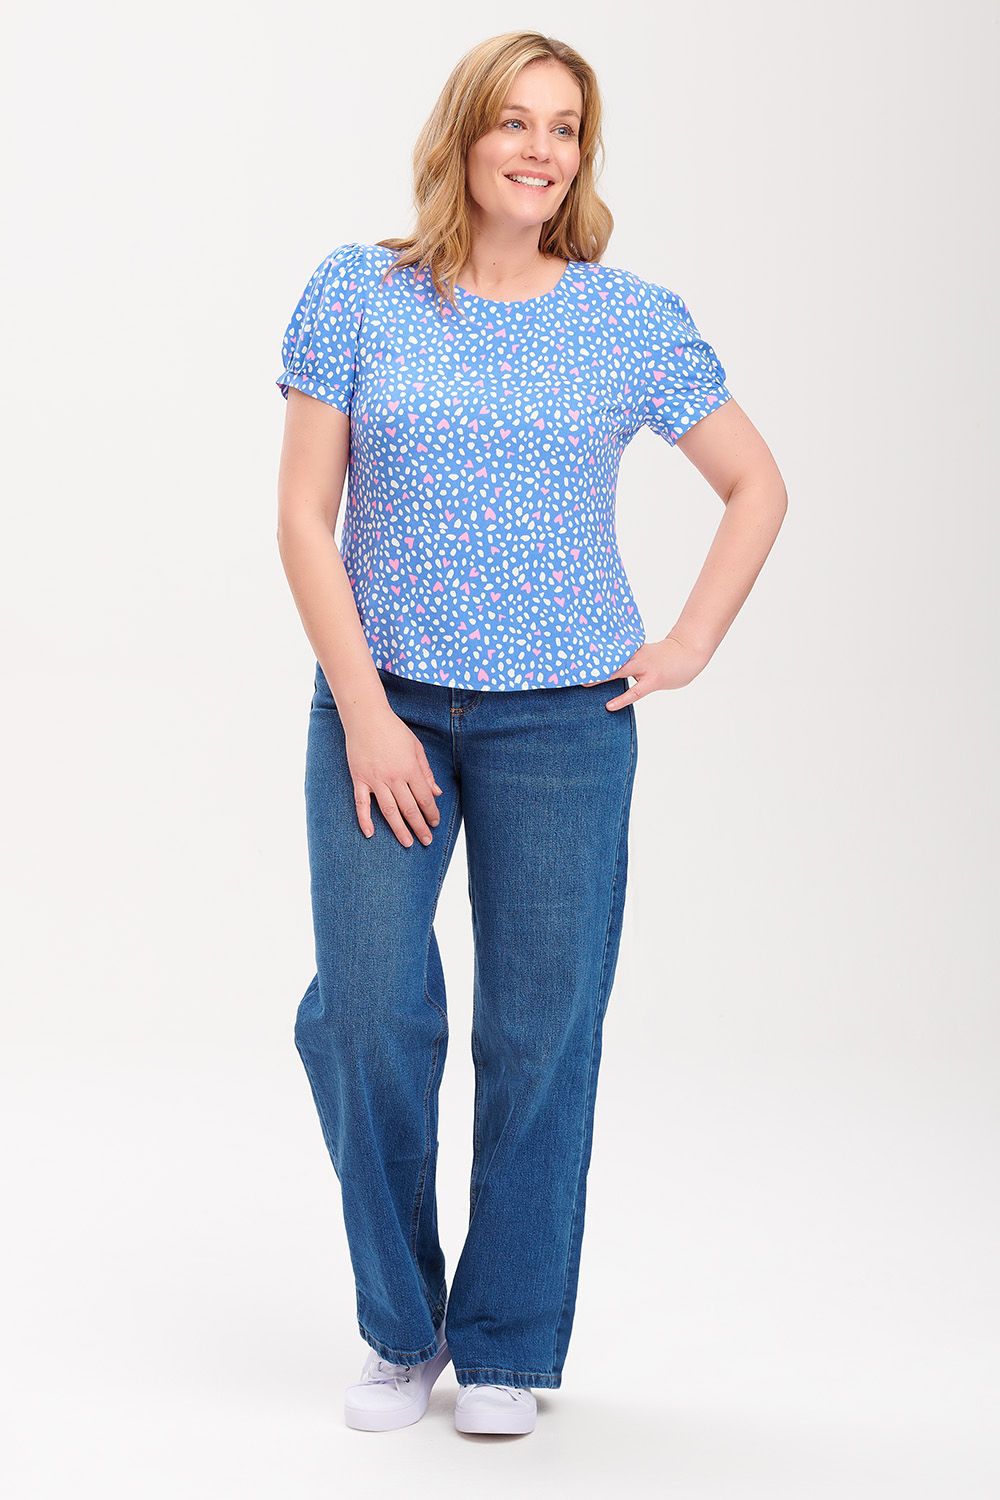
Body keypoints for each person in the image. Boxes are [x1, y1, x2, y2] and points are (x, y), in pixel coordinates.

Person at [275, 31, 786, 1437]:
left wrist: (686, 643)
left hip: (564, 723)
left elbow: (755, 485)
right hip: (383, 708)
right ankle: (403, 1327)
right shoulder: (358, 294)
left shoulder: (629, 320)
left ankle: (503, 1340)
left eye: (564, 128)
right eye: (515, 121)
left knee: (541, 1028)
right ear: (463, 134)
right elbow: (303, 520)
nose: (540, 150)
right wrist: (366, 714)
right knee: (366, 1011)